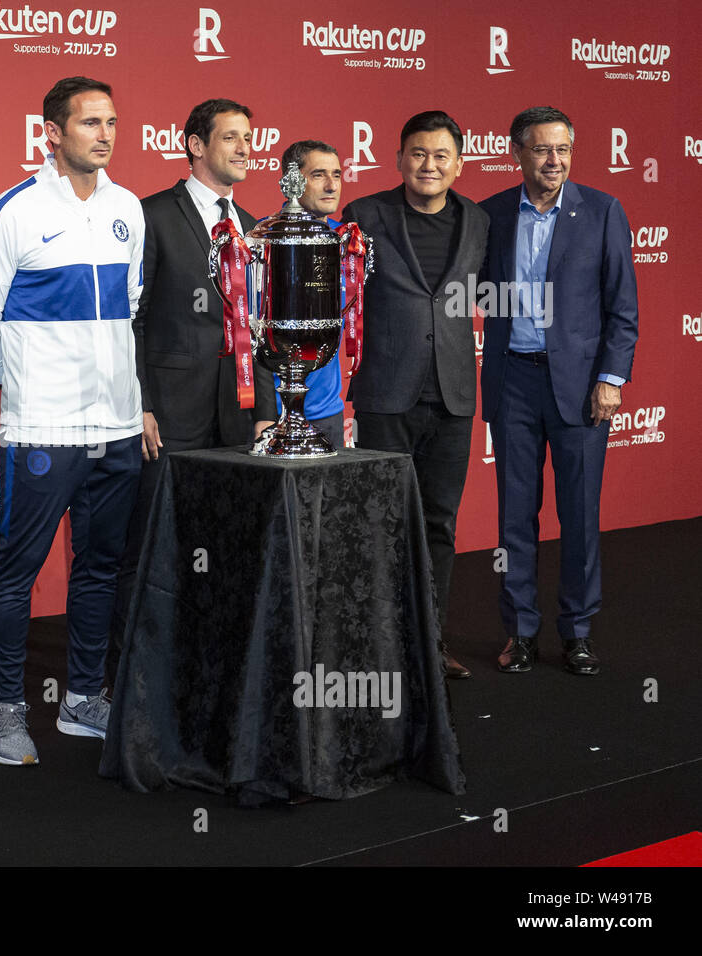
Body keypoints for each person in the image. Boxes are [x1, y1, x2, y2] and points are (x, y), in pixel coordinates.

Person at [0, 76, 144, 766]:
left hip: (118, 427)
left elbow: (127, 306)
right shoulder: (11, 212)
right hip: (43, 431)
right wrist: (28, 385)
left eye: (112, 121)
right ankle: (7, 710)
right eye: (90, 122)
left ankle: (81, 701)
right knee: (16, 572)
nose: (104, 134)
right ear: (53, 133)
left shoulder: (128, 207)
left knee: (98, 569)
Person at [479, 107, 637, 676]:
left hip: (581, 387)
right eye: (543, 150)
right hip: (514, 381)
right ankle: (519, 632)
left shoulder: (601, 210)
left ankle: (578, 633)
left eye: (563, 149)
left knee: (580, 515)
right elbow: (469, 292)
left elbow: (622, 309)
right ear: (516, 152)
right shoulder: (491, 213)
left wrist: (611, 379)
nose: (555, 161)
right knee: (514, 518)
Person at [111, 98, 273, 650]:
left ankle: (207, 654)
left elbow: (258, 327)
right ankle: (135, 663)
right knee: (152, 544)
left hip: (236, 415)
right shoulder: (151, 215)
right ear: (196, 146)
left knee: (223, 541)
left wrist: (266, 413)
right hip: (169, 417)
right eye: (230, 137)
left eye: (248, 137)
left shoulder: (252, 228)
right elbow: (129, 319)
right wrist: (142, 404)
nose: (245, 148)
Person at [340, 110, 488, 680]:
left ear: (458, 163)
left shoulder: (478, 221)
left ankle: (430, 641)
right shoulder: (365, 214)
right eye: (418, 154)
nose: (429, 165)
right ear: (399, 158)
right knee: (378, 524)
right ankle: (378, 646)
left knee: (438, 525)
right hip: (385, 393)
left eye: (441, 155)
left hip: (453, 397)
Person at [272, 139, 347, 449]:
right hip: (275, 413)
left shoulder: (346, 239)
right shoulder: (267, 237)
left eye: (337, 174)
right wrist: (263, 410)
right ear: (293, 180)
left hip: (329, 411)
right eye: (318, 175)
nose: (331, 185)